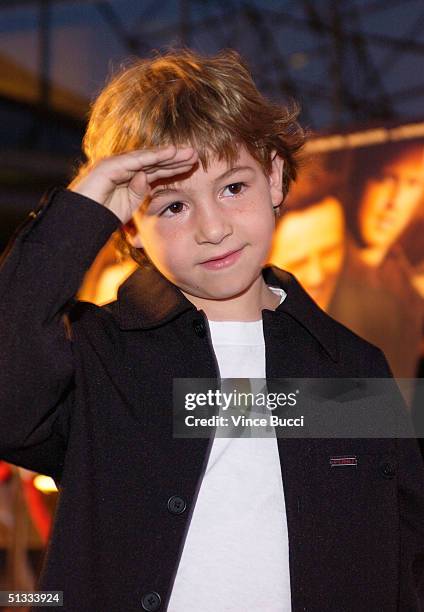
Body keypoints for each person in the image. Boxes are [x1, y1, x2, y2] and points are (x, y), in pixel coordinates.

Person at [0, 48, 423, 612]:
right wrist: (82, 209)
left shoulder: (349, 366)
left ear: (274, 177)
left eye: (232, 188)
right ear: (129, 221)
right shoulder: (99, 357)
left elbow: (403, 554)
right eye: (173, 206)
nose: (213, 228)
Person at [328, 141, 424, 380]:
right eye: (385, 179)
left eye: (412, 184)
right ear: (357, 181)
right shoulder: (321, 269)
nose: (395, 202)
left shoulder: (409, 286)